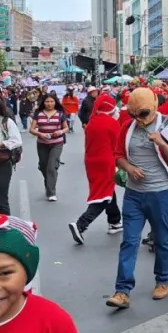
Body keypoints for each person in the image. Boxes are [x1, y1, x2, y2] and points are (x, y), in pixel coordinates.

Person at [105, 87, 168, 309]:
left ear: (155, 106)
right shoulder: (127, 128)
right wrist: (129, 168)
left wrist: (160, 142)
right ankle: (122, 291)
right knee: (129, 241)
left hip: (160, 193)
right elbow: (118, 155)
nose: (139, 119)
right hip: (133, 195)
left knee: (161, 239)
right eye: (134, 114)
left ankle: (162, 280)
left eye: (143, 114)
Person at [69, 93, 123, 243]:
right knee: (102, 196)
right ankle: (81, 224)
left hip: (91, 161)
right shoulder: (111, 123)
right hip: (106, 161)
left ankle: (115, 221)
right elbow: (118, 145)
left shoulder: (92, 122)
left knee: (107, 191)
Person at [30, 93, 69, 203]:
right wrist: (40, 134)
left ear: (55, 102)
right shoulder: (38, 113)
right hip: (42, 143)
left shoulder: (60, 114)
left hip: (56, 143)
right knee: (43, 166)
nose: (49, 104)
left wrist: (60, 131)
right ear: (44, 102)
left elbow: (66, 128)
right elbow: (32, 129)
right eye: (47, 101)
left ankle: (51, 192)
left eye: (51, 101)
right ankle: (49, 180)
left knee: (51, 167)